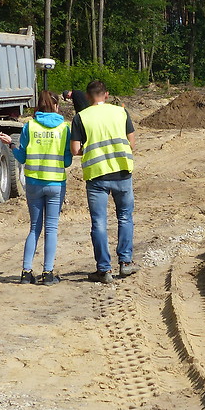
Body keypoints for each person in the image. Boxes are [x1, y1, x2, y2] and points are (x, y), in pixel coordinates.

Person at [0, 90, 71, 285]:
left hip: (33, 183)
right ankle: (48, 273)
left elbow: (22, 157)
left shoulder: (29, 126)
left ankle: (26, 272)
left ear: (39, 106)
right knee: (51, 229)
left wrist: (11, 145)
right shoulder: (64, 128)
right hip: (55, 183)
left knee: (34, 228)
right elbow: (67, 161)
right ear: (56, 106)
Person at [70, 80, 137, 283]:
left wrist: (90, 151)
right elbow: (131, 142)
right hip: (122, 172)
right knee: (125, 217)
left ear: (88, 97)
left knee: (99, 222)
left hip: (97, 175)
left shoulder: (81, 117)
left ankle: (104, 270)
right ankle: (125, 263)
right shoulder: (121, 112)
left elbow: (75, 150)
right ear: (106, 94)